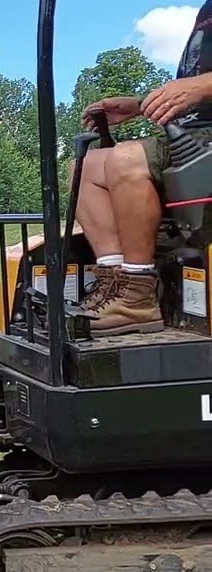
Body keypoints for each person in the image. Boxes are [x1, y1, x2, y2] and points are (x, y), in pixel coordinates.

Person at [69, 1, 212, 336]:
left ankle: (137, 293)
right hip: (194, 135)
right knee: (86, 166)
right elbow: (192, 92)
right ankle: (115, 282)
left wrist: (202, 86)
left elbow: (200, 87)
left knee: (127, 159)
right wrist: (140, 105)